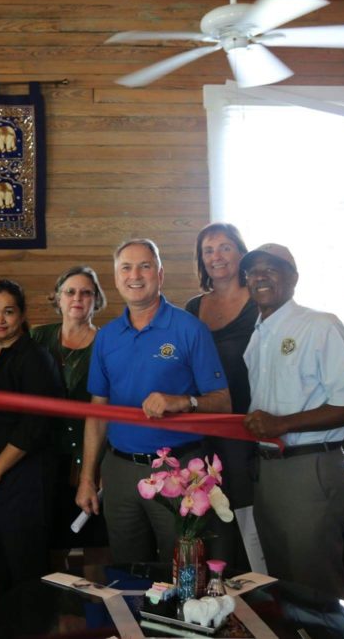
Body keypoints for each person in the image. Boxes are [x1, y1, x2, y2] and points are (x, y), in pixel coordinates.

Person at [76, 238, 231, 565]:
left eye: (144, 266)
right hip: (119, 472)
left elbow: (223, 402)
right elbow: (97, 412)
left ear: (159, 275)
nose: (135, 275)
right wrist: (88, 478)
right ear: (116, 277)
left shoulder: (190, 329)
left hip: (178, 471)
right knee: (127, 571)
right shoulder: (106, 337)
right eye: (126, 268)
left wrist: (183, 401)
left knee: (184, 572)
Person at [240, 243, 344, 597]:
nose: (260, 276)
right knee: (281, 582)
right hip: (268, 471)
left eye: (272, 268)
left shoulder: (319, 326)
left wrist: (282, 424)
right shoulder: (257, 336)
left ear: (294, 278)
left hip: (310, 468)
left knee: (315, 583)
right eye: (253, 271)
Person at [0, 280, 61, 597]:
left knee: (25, 572)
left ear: (21, 315)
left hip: (21, 479)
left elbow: (34, 424)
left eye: (8, 312)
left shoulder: (35, 357)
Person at [184, 223, 257, 568]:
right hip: (203, 428)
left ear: (241, 252)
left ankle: (252, 589)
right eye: (209, 250)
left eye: (225, 247)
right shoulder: (193, 307)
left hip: (248, 428)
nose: (217, 256)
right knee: (209, 509)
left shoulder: (260, 302)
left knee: (245, 515)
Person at [30, 266, 108, 551]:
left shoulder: (106, 343)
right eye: (70, 292)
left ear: (96, 300)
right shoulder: (37, 338)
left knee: (88, 546)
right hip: (42, 458)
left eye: (86, 293)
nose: (78, 298)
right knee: (46, 544)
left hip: (89, 460)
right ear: (58, 298)